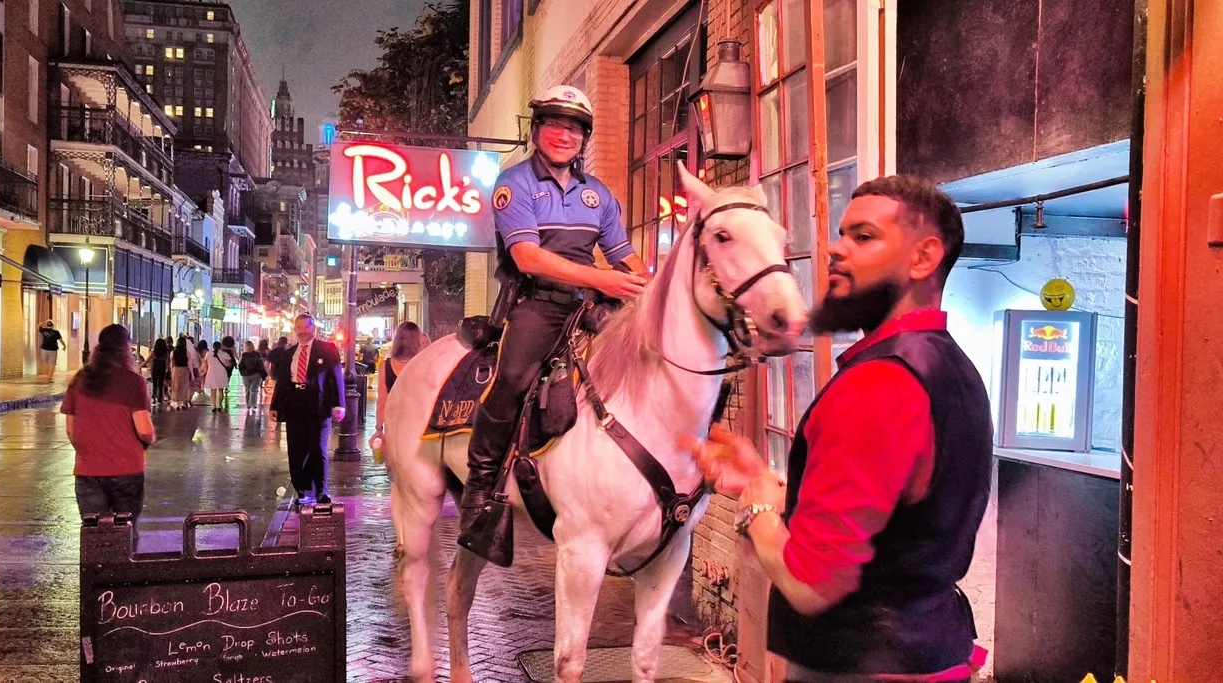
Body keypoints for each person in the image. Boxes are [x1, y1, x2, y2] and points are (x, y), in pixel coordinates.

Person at [690, 176, 992, 682]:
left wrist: (759, 505)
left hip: (860, 666)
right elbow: (890, 520)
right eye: (840, 233)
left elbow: (810, 585)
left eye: (863, 236)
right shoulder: (951, 366)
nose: (835, 248)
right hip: (927, 650)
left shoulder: (878, 383)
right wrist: (765, 479)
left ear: (923, 259)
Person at [456, 84, 650, 560]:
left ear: (585, 138)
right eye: (555, 124)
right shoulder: (514, 182)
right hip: (538, 305)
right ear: (538, 130)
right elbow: (527, 257)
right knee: (513, 379)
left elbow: (625, 257)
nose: (565, 135)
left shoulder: (597, 194)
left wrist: (655, 290)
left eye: (575, 128)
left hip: (588, 305)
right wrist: (600, 279)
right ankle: (479, 495)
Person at [62, 324, 156, 522]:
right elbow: (144, 430)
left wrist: (89, 452)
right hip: (126, 470)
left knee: (94, 534)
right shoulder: (133, 382)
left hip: (88, 471)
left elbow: (71, 429)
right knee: (124, 532)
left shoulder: (79, 379)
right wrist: (150, 439)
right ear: (125, 349)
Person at [270, 313, 346, 506]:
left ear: (314, 328)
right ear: (295, 329)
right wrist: (275, 406)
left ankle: (321, 490)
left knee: (317, 448)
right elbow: (282, 381)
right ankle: (302, 490)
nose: (303, 331)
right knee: (296, 449)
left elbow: (336, 377)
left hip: (318, 404)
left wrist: (339, 404)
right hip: (294, 403)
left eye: (307, 327)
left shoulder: (327, 349)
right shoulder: (289, 353)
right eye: (300, 327)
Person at [372, 321, 424, 444]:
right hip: (418, 423)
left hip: (394, 422)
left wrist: (379, 428)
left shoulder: (386, 366)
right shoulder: (422, 364)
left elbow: (382, 402)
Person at [203, 340, 233, 412]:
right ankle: (219, 404)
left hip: (211, 372)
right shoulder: (225, 354)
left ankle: (214, 406)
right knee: (220, 390)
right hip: (221, 372)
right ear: (220, 347)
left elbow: (205, 364)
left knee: (213, 391)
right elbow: (228, 364)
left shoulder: (208, 354)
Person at [238, 340, 267, 412]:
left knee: (247, 390)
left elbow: (240, 365)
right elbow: (261, 365)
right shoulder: (257, 354)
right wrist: (263, 374)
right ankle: (253, 405)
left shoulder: (244, 355)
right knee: (253, 390)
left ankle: (248, 405)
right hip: (256, 375)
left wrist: (242, 373)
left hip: (246, 375)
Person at [140, 338, 169, 407]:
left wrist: (140, 366)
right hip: (162, 367)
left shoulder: (154, 351)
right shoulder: (165, 352)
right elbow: (167, 362)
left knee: (155, 383)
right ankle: (160, 399)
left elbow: (147, 360)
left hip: (155, 367)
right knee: (161, 383)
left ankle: (154, 398)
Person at [171, 334, 192, 409]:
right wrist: (192, 374)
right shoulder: (187, 352)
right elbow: (190, 364)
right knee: (184, 386)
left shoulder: (173, 352)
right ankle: (184, 402)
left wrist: (171, 371)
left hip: (176, 369)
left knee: (176, 386)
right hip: (185, 369)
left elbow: (172, 363)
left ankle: (177, 403)